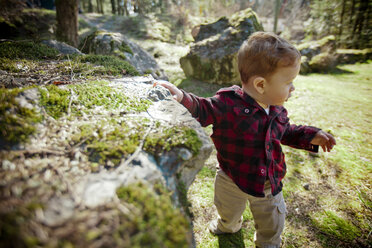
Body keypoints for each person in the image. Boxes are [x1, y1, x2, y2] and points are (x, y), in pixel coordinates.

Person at [154, 31, 336, 248]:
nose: (293, 88)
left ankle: (267, 244)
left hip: (269, 183)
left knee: (272, 223)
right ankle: (228, 225)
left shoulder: (278, 111)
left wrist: (311, 135)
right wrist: (183, 98)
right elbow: (203, 108)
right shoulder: (227, 103)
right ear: (261, 85)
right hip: (231, 178)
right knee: (226, 209)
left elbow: (286, 131)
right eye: (289, 82)